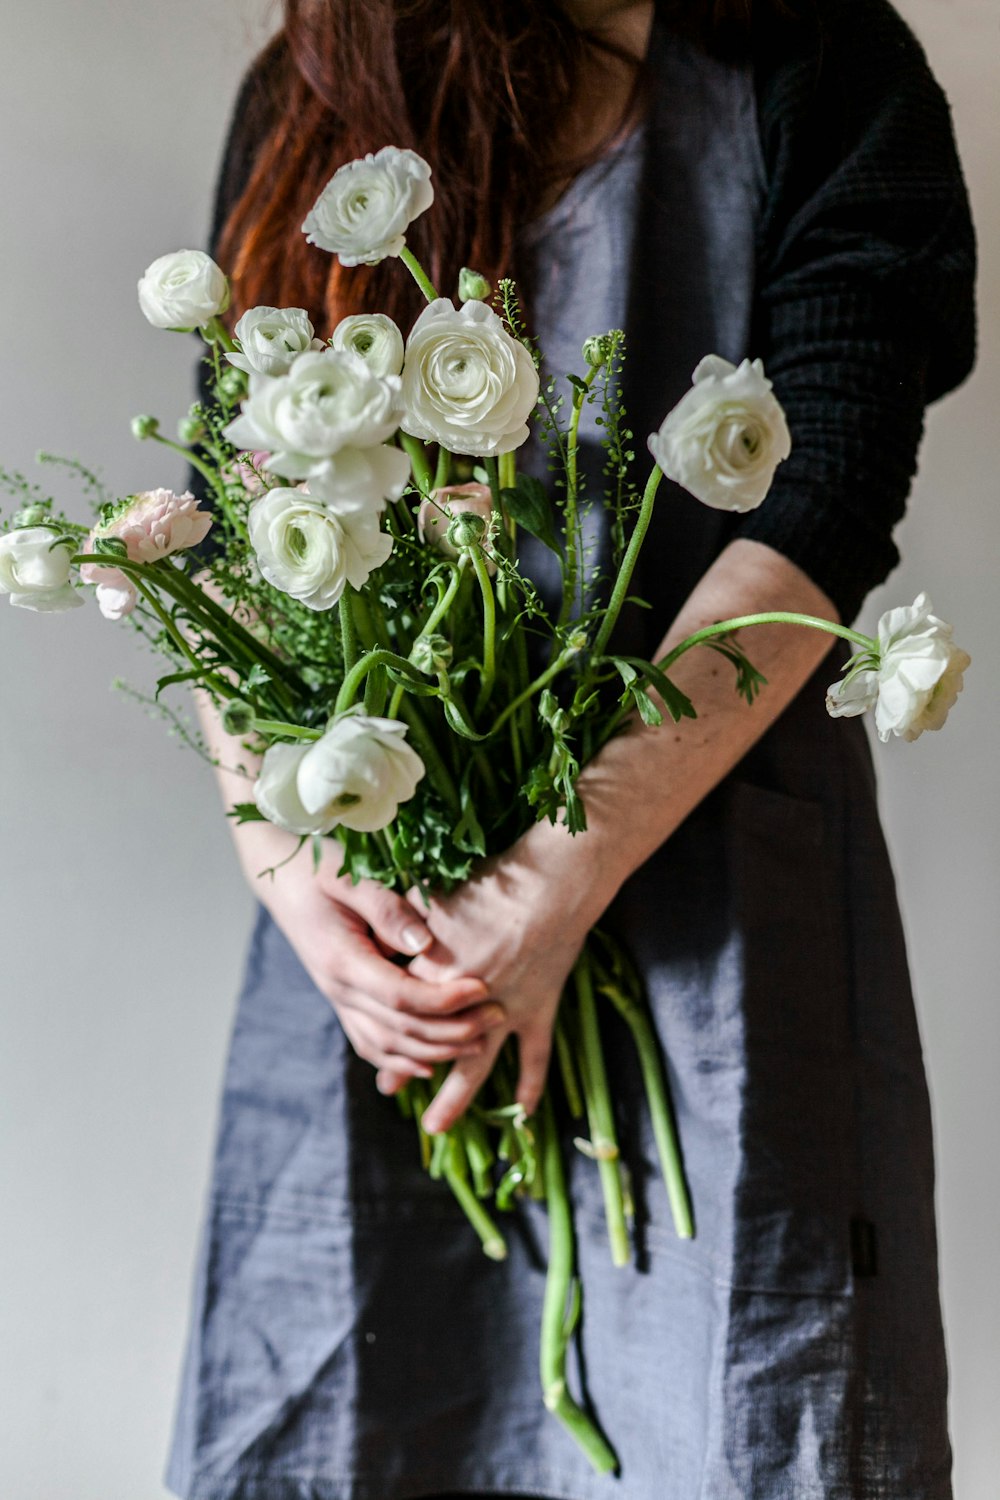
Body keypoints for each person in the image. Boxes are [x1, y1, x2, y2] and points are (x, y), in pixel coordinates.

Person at [165, 2, 976, 1497]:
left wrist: (552, 885)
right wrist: (288, 865)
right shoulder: (312, 88)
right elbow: (221, 519)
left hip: (706, 889)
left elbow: (828, 498)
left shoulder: (826, 63)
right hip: (386, 924)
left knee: (727, 1409)